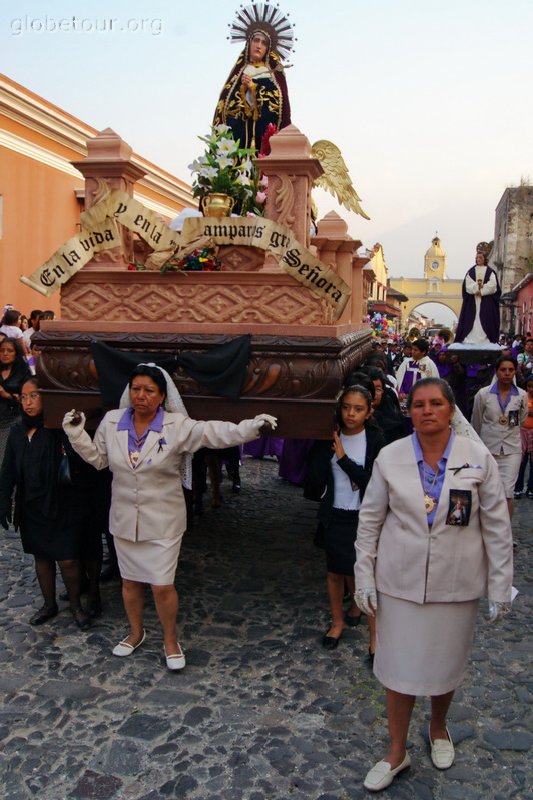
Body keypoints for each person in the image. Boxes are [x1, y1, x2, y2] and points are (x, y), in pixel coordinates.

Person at [62, 363, 277, 671]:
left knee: (162, 585)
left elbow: (214, 432)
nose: (141, 396)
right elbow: (98, 460)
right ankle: (136, 632)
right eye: (135, 389)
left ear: (162, 396)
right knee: (130, 582)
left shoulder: (176, 426)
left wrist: (252, 427)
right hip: (124, 519)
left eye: (149, 391)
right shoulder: (112, 422)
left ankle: (170, 639)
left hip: (163, 521)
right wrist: (76, 434)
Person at [354, 378, 513, 792]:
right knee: (397, 670)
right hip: (399, 582)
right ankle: (395, 750)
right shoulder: (390, 457)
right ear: (409, 411)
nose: (427, 410)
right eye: (419, 404)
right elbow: (369, 521)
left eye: (436, 403)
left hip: (456, 584)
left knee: (445, 666)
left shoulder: (477, 458)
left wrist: (500, 586)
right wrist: (364, 576)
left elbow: (497, 527)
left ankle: (438, 728)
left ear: (450, 410)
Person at [0, 378, 93, 629]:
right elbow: (8, 469)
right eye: (23, 397)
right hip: (31, 506)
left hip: (61, 504)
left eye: (34, 396)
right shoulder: (18, 432)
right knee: (41, 557)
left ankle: (76, 605)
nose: (28, 402)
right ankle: (48, 604)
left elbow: (78, 461)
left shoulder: (57, 428)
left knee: (68, 559)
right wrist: (3, 499)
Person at [305, 385, 385, 655]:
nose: (351, 414)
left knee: (365, 576)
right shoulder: (331, 435)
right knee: (334, 572)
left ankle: (375, 639)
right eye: (346, 407)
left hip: (363, 517)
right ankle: (337, 622)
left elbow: (373, 482)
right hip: (335, 512)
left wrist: (343, 459)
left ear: (369, 411)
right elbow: (314, 478)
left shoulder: (374, 440)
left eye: (358, 409)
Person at [213, 2, 293, 153]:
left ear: (268, 49)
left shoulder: (272, 73)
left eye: (263, 43)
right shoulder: (238, 73)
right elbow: (225, 106)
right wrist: (242, 90)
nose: (259, 45)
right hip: (239, 134)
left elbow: (280, 106)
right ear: (249, 43)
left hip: (262, 135)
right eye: (256, 40)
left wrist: (254, 88)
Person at [471, 356, 527, 518]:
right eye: (503, 370)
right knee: (487, 491)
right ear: (496, 372)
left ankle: (505, 533)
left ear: (515, 371)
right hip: (488, 448)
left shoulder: (521, 396)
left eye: (510, 370)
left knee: (507, 492)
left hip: (511, 449)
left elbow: (521, 419)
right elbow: (477, 420)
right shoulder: (484, 394)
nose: (507, 373)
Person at [454, 250, 501, 344]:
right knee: (472, 318)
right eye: (477, 258)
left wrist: (482, 292)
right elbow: (468, 284)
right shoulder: (471, 271)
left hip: (486, 300)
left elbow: (493, 285)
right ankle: (470, 337)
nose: (478, 259)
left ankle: (486, 338)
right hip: (473, 300)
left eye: (480, 257)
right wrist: (476, 290)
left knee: (485, 318)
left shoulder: (490, 272)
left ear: (484, 259)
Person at [0, 338, 32, 464]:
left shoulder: (24, 372)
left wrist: (7, 395)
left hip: (13, 421)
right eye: (2, 350)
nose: (5, 353)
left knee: (5, 460)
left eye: (9, 350)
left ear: (16, 353)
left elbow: (28, 400)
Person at [395, 338, 439, 404]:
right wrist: (401, 391)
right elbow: (399, 378)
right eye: (412, 349)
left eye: (415, 350)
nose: (412, 351)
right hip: (405, 397)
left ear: (423, 352)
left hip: (423, 399)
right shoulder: (406, 362)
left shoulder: (428, 364)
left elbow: (434, 383)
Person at [513, 373, 533, 499]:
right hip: (521, 432)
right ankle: (518, 488)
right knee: (521, 462)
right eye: (529, 386)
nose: (531, 389)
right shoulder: (521, 397)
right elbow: (514, 415)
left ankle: (531, 488)